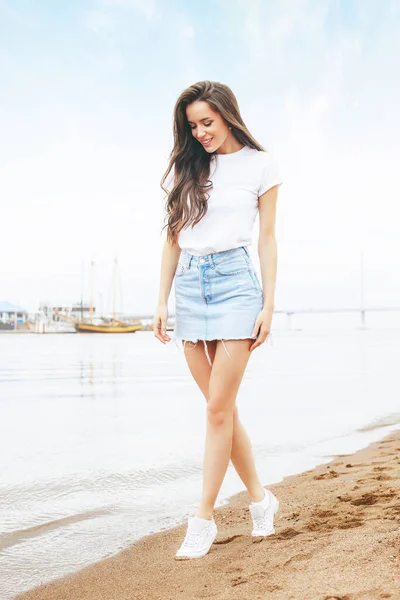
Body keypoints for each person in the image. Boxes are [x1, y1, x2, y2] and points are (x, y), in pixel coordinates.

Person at [153, 80, 283, 560]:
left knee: (216, 410)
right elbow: (172, 239)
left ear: (228, 114)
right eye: (192, 125)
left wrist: (269, 304)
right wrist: (162, 301)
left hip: (235, 285)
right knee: (220, 408)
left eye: (207, 122)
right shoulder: (186, 168)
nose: (200, 132)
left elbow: (266, 239)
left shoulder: (261, 165)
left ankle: (202, 519)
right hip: (188, 285)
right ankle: (260, 500)